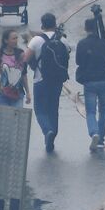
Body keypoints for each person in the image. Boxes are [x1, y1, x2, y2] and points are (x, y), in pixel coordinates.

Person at [25, 13, 69, 152]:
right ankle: (52, 136)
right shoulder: (63, 40)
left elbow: (25, 60)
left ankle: (47, 131)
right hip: (57, 81)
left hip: (40, 79)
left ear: (42, 25)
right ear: (55, 24)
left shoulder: (36, 40)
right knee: (53, 109)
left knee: (40, 110)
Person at [75, 17, 105, 150]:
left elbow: (78, 62)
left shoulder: (82, 44)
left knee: (90, 111)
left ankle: (94, 132)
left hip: (89, 82)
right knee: (104, 111)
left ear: (85, 29)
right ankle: (101, 139)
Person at [0, 28, 30, 108]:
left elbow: (24, 74)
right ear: (6, 40)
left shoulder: (21, 54)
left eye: (17, 38)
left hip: (17, 94)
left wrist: (28, 93)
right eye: (13, 38)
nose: (16, 40)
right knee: (3, 118)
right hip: (2, 95)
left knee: (17, 118)